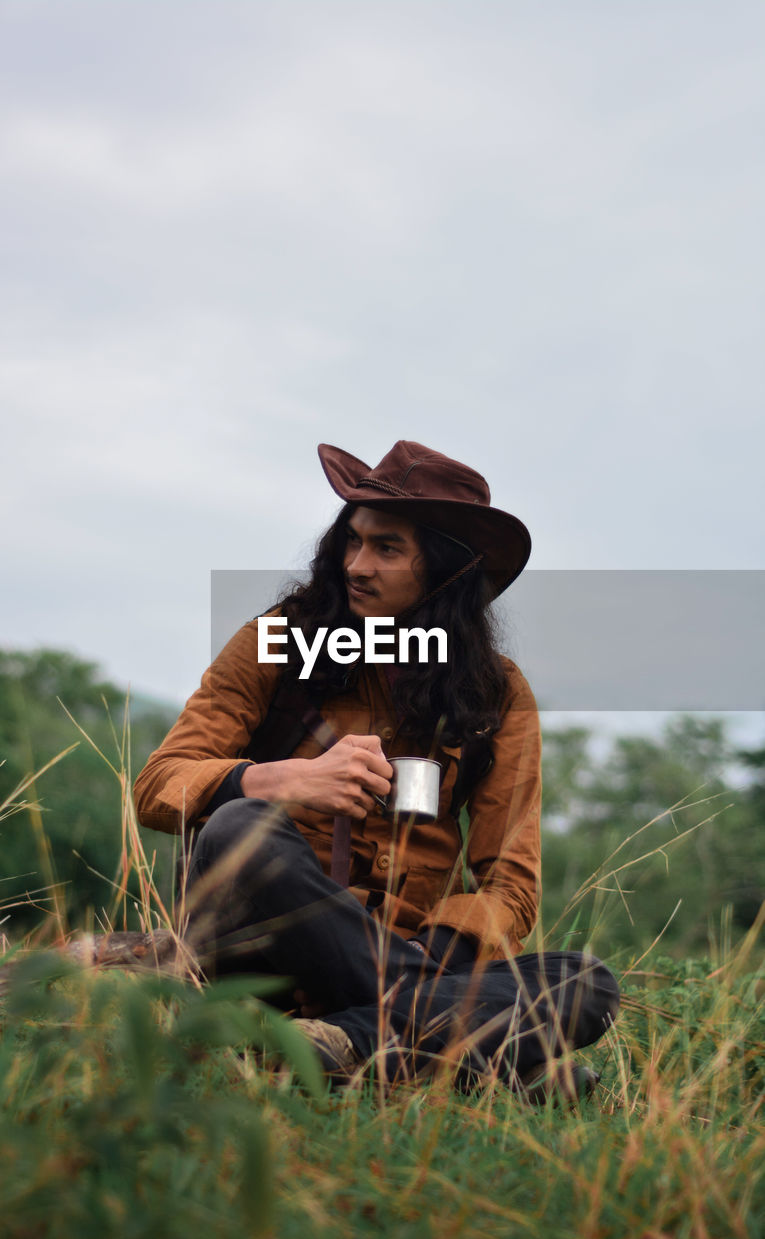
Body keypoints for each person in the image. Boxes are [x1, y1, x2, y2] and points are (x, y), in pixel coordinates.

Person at [134, 441, 619, 1099]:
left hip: (414, 953)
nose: (356, 567)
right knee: (237, 828)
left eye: (386, 549)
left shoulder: (496, 693)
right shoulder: (273, 642)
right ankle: (473, 1056)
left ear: (447, 571)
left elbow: (510, 885)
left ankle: (347, 1042)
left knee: (584, 983)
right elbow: (158, 785)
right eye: (352, 542)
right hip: (257, 956)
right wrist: (279, 779)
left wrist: (434, 954)